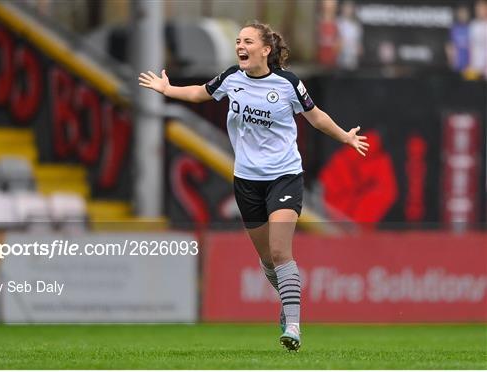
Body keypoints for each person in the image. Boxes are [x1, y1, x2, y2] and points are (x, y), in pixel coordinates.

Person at [139, 21, 369, 352]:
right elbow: (199, 92)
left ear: (266, 49)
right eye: (237, 41)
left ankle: (293, 324)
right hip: (247, 181)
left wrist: (345, 136)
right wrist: (167, 89)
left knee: (280, 250)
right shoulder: (232, 78)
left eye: (247, 41)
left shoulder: (288, 83)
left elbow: (315, 116)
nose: (239, 46)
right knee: (267, 259)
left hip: (285, 177)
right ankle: (286, 302)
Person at [337, 0, 363, 70]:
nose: (348, 10)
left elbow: (359, 42)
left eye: (350, 8)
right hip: (339, 58)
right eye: (346, 7)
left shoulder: (356, 25)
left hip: (353, 58)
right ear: (342, 8)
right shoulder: (337, 22)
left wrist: (359, 48)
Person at [445, 5, 471, 73]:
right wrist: (451, 59)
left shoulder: (471, 27)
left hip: (470, 64)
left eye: (464, 13)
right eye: (460, 13)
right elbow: (449, 45)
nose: (462, 15)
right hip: (457, 63)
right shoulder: (454, 28)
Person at [469, 0, 487, 78]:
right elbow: (471, 46)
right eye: (477, 9)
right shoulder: (473, 25)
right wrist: (471, 63)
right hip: (475, 67)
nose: (479, 11)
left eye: (482, 8)